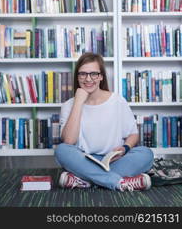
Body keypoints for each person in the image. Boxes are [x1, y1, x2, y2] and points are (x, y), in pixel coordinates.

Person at [55, 52, 154, 191]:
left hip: (114, 160)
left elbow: (133, 134)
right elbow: (69, 141)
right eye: (82, 74)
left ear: (101, 76)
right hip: (84, 160)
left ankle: (86, 180)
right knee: (62, 150)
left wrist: (124, 148)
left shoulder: (118, 101)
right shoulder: (69, 105)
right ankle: (118, 183)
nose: (88, 79)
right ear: (77, 77)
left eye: (93, 74)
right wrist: (78, 102)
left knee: (146, 154)